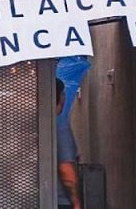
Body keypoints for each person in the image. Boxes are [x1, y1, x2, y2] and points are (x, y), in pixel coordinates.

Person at [57, 78, 82, 209]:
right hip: (60, 200)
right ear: (60, 98)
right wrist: (76, 202)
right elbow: (65, 167)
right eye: (63, 94)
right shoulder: (59, 125)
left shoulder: (35, 124)